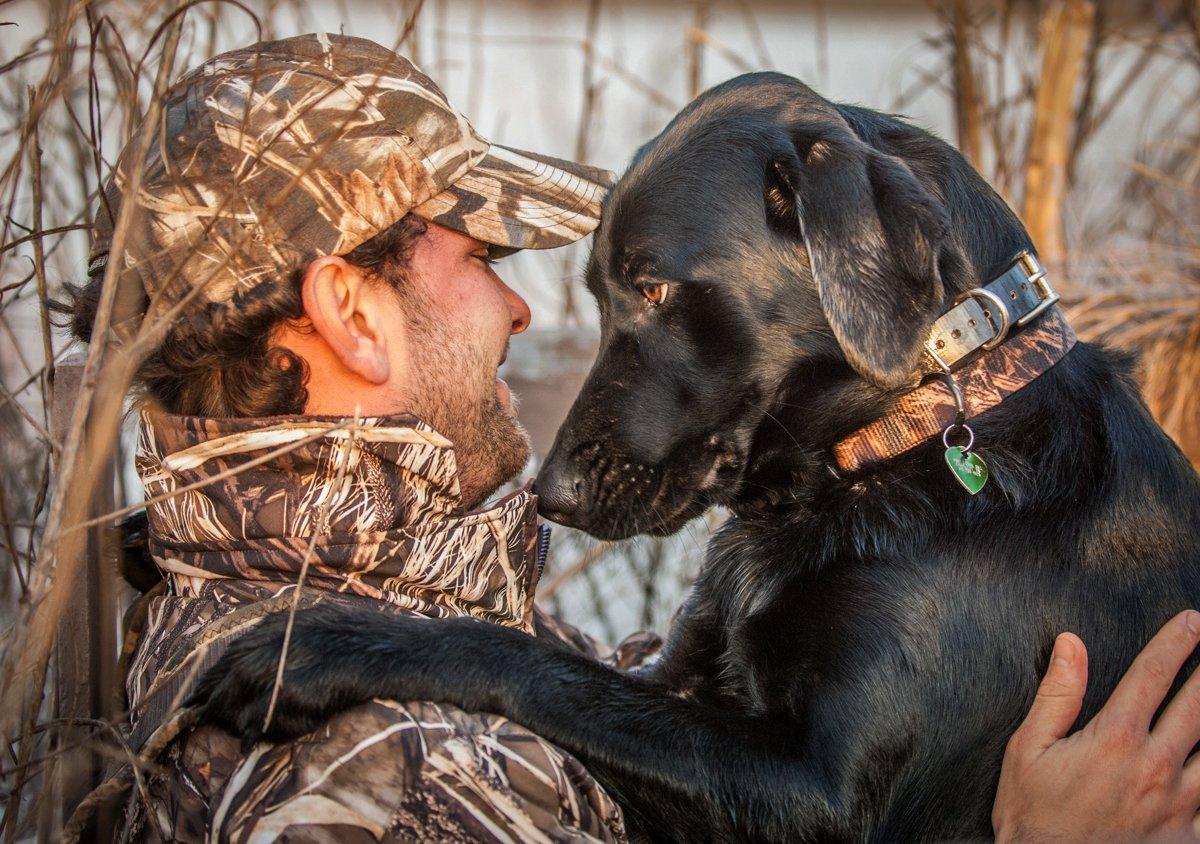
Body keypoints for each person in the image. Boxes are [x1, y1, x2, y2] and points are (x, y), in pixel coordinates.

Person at [66, 33, 1200, 842]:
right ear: (352, 315)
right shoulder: (398, 777)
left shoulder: (323, 587)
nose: (518, 313)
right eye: (483, 262)